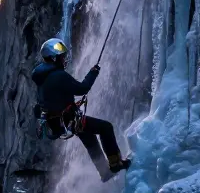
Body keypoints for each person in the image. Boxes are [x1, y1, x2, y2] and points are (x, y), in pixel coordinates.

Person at [30, 37, 131, 180]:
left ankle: (104, 172)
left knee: (89, 138)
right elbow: (82, 88)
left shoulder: (42, 77)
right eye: (61, 57)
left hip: (58, 122)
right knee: (105, 128)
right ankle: (115, 164)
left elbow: (54, 98)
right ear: (53, 58)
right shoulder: (58, 75)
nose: (64, 59)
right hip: (68, 119)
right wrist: (93, 72)